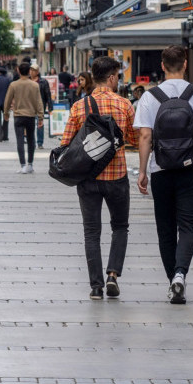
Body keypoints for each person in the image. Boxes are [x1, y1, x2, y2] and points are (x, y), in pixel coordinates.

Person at [134, 45, 193, 305]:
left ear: (162, 66)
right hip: (191, 168)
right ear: (185, 64)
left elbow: (145, 136)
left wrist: (142, 170)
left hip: (160, 170)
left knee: (165, 228)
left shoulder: (150, 97)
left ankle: (173, 278)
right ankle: (180, 274)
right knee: (189, 225)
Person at [61, 57, 138, 301]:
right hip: (117, 176)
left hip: (88, 177)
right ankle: (113, 275)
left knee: (91, 231)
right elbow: (135, 139)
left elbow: (66, 144)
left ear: (94, 77)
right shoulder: (125, 105)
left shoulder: (79, 107)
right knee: (120, 226)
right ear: (113, 77)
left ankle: (95, 286)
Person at [2, 63, 44, 174]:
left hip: (18, 116)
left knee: (20, 140)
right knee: (31, 140)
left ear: (18, 71)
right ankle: (30, 164)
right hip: (30, 115)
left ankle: (23, 165)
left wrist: (6, 113)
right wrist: (40, 117)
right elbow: (39, 102)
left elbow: (7, 100)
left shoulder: (13, 85)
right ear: (29, 71)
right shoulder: (35, 85)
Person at [29, 64, 54, 150]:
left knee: (40, 124)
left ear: (37, 72)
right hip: (29, 106)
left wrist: (50, 107)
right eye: (30, 70)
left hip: (40, 106)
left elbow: (48, 95)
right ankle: (31, 141)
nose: (31, 72)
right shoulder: (27, 81)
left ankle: (40, 142)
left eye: (33, 70)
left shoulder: (43, 82)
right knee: (30, 125)